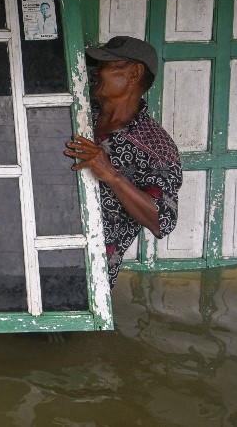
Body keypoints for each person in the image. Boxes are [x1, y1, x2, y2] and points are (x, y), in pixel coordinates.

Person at [63, 36, 182, 288]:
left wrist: (112, 175)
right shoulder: (77, 112)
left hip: (88, 273)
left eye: (104, 65)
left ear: (134, 73)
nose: (95, 71)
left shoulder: (156, 146)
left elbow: (162, 222)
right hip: (39, 242)